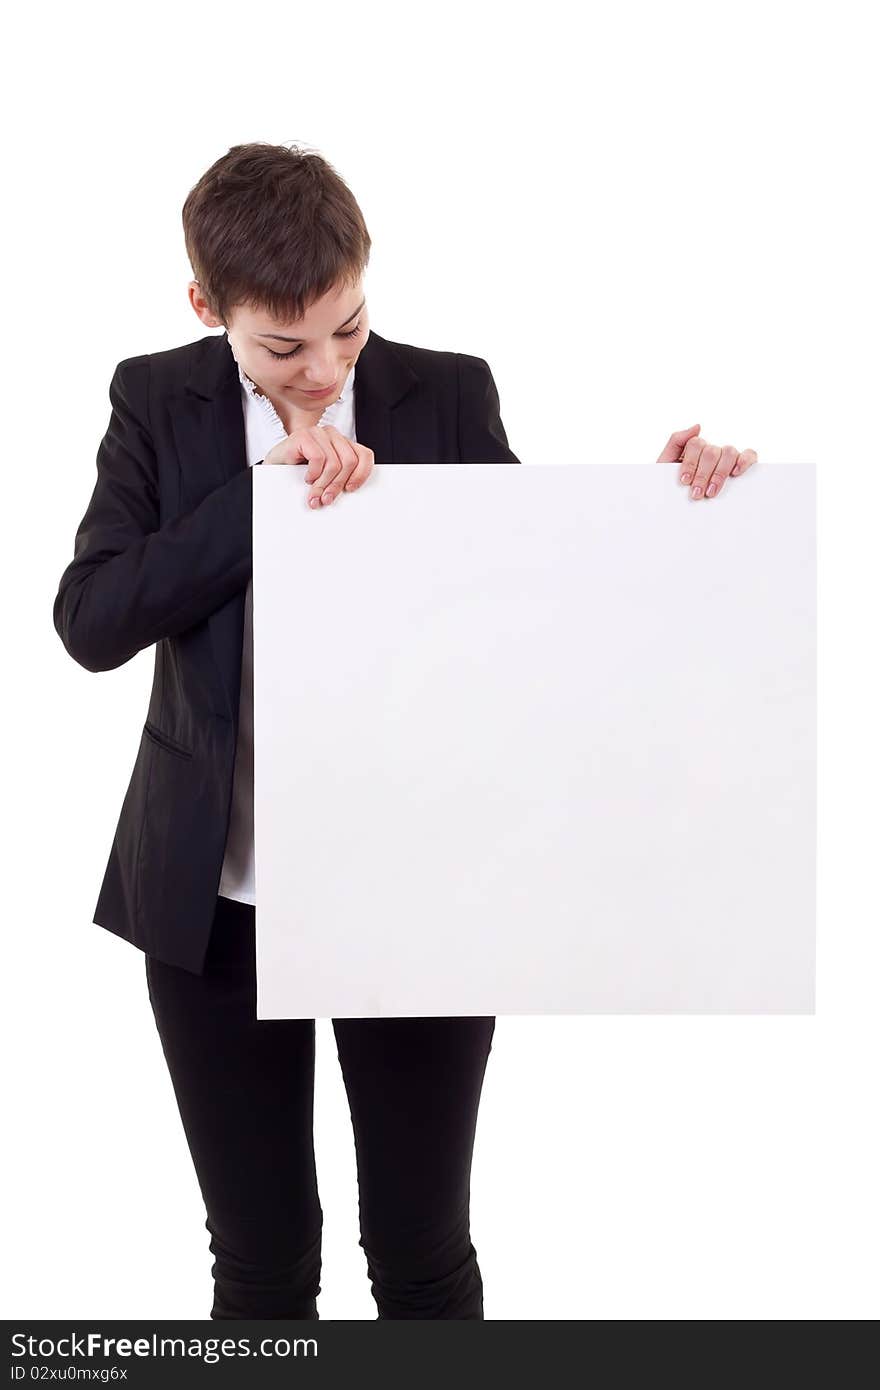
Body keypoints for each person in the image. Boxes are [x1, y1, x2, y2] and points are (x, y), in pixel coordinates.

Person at [52, 141, 759, 1321]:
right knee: (261, 1264)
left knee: (423, 1255)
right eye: (283, 345)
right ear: (203, 308)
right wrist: (256, 498)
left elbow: (538, 597)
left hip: (420, 891)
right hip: (215, 907)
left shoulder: (448, 388)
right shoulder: (151, 397)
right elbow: (90, 621)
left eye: (350, 327)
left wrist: (672, 510)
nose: (326, 369)